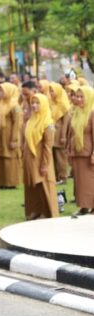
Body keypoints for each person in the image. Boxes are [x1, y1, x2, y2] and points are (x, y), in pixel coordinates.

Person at [21, 93, 58, 220]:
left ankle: (47, 212)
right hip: (30, 159)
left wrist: (44, 164)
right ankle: (35, 210)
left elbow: (48, 146)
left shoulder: (48, 123)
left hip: (41, 159)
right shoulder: (31, 120)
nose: (34, 105)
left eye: (37, 103)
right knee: (32, 186)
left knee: (44, 185)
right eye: (33, 103)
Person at [66, 85, 94, 218]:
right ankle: (83, 207)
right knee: (80, 183)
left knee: (89, 182)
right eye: (77, 96)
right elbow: (71, 134)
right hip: (77, 153)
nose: (78, 99)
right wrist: (69, 151)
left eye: (81, 96)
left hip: (88, 154)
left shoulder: (92, 113)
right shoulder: (76, 112)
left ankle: (91, 207)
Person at [0, 82, 22, 189]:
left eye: (2, 90)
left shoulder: (14, 105)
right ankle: (2, 181)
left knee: (10, 157)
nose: (0, 93)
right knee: (2, 157)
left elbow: (17, 123)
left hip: (9, 134)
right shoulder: (0, 103)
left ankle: (11, 182)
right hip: (1, 135)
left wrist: (14, 139)